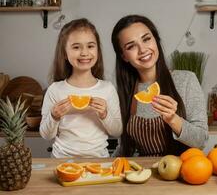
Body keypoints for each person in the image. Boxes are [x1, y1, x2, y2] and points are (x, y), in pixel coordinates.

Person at [111, 15, 208, 157]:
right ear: (124, 56)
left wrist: (173, 119)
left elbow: (201, 140)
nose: (142, 49)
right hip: (145, 173)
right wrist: (107, 167)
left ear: (156, 40)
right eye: (131, 46)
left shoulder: (186, 80)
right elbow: (125, 147)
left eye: (146, 39)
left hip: (182, 171)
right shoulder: (127, 90)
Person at [40, 18, 122, 158]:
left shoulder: (107, 89)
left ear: (97, 50)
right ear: (65, 53)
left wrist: (104, 114)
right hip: (62, 160)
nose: (84, 53)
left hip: (98, 161)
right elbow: (46, 135)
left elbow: (117, 131)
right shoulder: (55, 90)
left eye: (90, 46)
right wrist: (54, 116)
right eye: (76, 47)